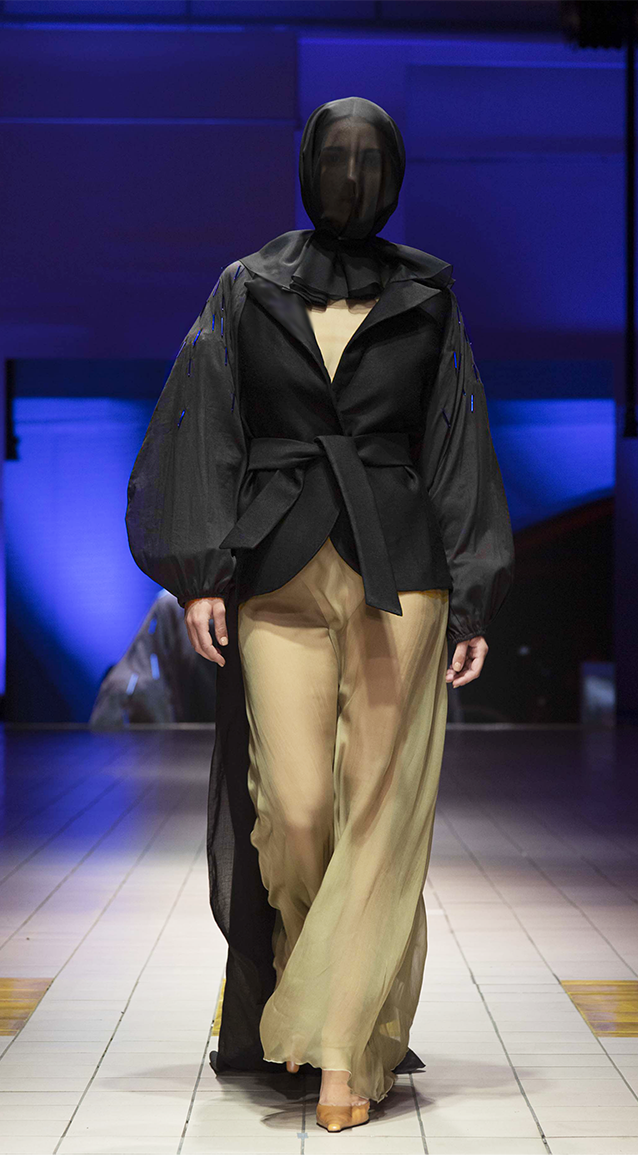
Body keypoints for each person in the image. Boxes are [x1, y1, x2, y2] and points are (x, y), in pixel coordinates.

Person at [126, 96, 515, 1133]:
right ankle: (314, 994)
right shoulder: (248, 287)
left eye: (369, 158)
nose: (351, 174)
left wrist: (474, 592)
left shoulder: (427, 295)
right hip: (278, 568)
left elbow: (456, 443)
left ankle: (343, 1052)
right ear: (305, 165)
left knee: (379, 811)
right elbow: (202, 422)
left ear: (396, 173)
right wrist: (200, 574)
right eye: (335, 156)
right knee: (296, 811)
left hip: (402, 571)